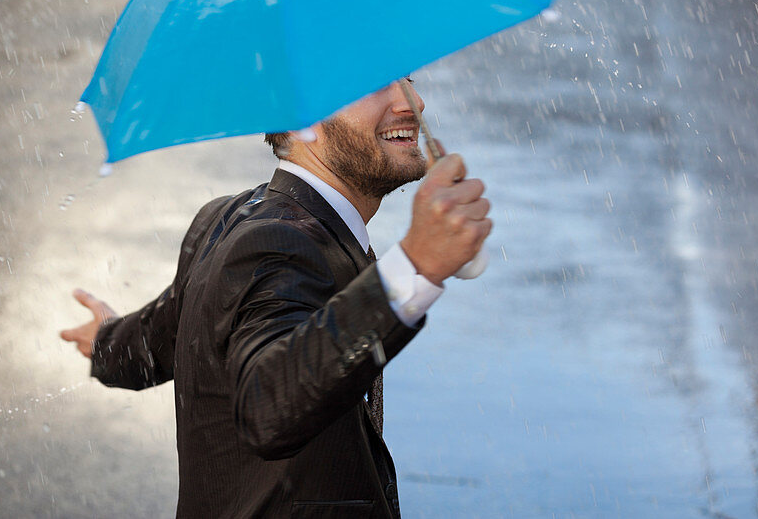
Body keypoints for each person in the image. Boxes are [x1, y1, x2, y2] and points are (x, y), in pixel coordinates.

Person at [60, 79, 491, 518]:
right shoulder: (277, 242)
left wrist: (107, 340)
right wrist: (415, 265)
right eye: (375, 84)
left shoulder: (227, 217)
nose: (412, 103)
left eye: (409, 81)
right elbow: (269, 407)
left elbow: (165, 340)